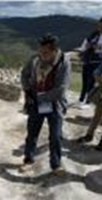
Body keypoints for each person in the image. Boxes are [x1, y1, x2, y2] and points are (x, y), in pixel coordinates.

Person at [20, 34, 70, 174]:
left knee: (55, 135)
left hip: (55, 103)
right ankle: (28, 160)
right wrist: (27, 89)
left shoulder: (63, 62)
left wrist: (39, 98)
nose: (42, 54)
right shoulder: (35, 59)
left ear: (55, 51)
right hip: (35, 102)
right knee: (32, 133)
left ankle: (56, 165)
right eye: (40, 51)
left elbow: (61, 89)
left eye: (46, 52)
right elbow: (24, 74)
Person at [76, 17, 102, 107]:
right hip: (88, 59)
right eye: (100, 25)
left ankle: (88, 100)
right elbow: (83, 46)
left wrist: (101, 47)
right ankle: (81, 99)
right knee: (85, 79)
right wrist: (86, 47)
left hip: (100, 61)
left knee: (91, 81)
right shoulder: (93, 35)